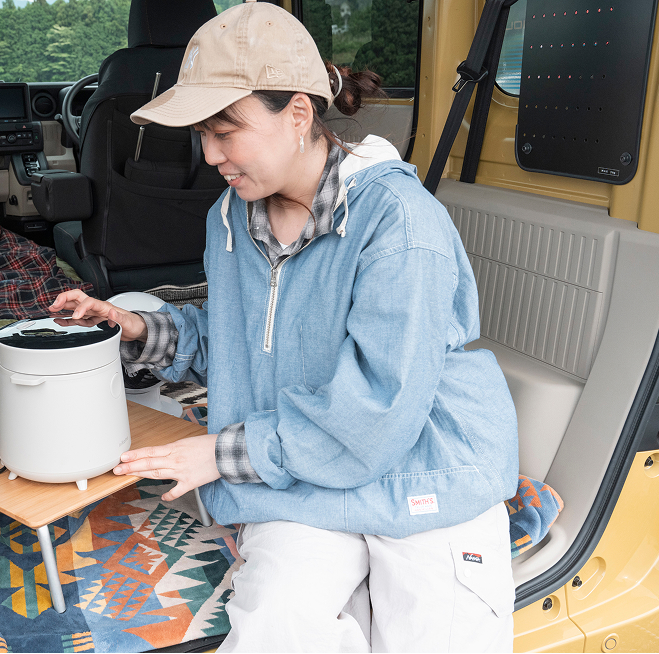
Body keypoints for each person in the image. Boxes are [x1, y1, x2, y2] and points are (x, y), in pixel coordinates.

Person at [49, 1, 519, 651]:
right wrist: (137, 326)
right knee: (271, 632)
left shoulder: (400, 225)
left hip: (421, 474)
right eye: (201, 135)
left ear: (298, 114)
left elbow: (379, 414)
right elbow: (240, 343)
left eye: (225, 130)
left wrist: (218, 453)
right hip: (302, 470)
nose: (209, 154)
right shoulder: (231, 220)